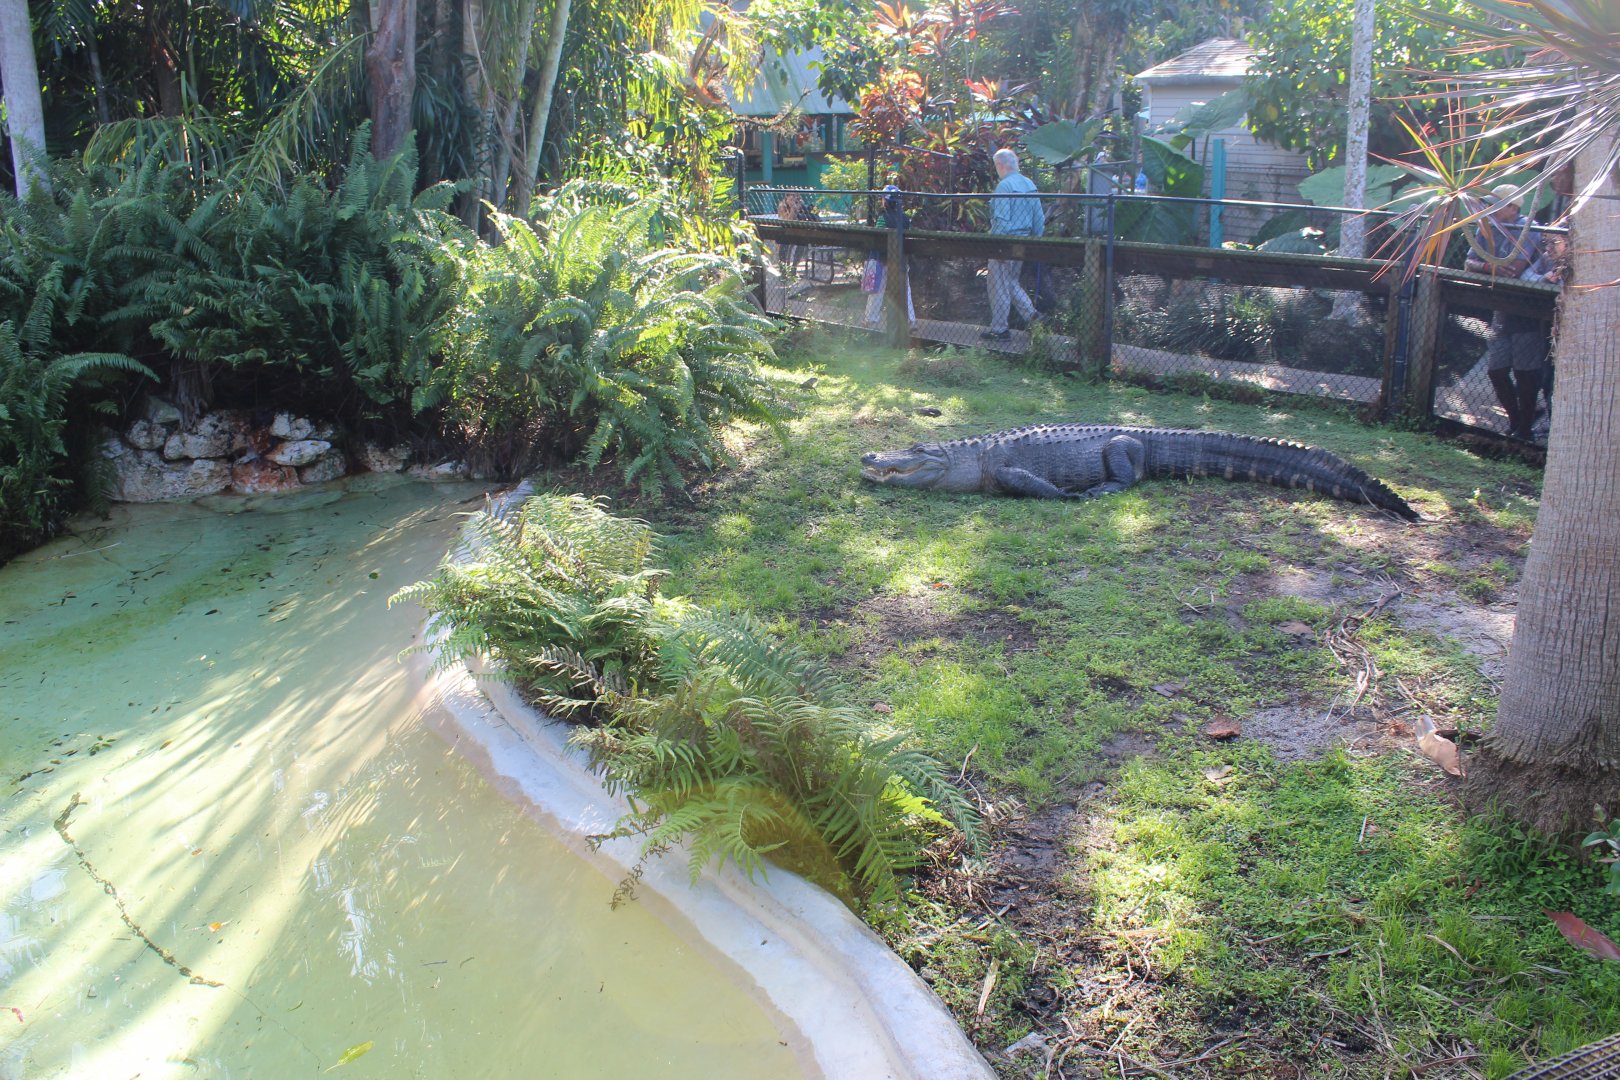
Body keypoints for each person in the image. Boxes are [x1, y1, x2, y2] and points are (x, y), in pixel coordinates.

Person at [1464, 184, 1550, 440]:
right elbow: (1469, 263)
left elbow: (1514, 269)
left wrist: (1485, 265)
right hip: (1501, 306)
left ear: (1513, 207)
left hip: (1527, 308)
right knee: (1496, 370)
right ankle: (1518, 420)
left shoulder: (1529, 228)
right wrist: (1490, 267)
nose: (1489, 209)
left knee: (1525, 372)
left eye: (1495, 204)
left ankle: (1524, 428)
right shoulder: (1486, 228)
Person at [982, 148, 1044, 341]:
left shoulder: (1004, 186)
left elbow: (1001, 219)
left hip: (1005, 242)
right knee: (1010, 282)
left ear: (1000, 165)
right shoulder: (1029, 184)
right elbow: (1039, 219)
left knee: (998, 285)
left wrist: (998, 247)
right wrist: (1035, 241)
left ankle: (999, 329)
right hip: (1023, 242)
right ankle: (1032, 315)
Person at [863, 185, 916, 331]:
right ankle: (910, 320)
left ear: (885, 201)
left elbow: (877, 238)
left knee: (877, 289)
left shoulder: (883, 217)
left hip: (883, 260)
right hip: (901, 260)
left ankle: (871, 319)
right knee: (906, 290)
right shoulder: (905, 219)